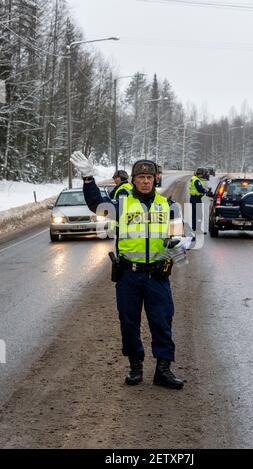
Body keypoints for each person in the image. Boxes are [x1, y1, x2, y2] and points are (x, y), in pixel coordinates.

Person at [70, 152, 187, 390]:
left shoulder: (168, 206)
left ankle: (163, 370)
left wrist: (178, 247)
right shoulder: (122, 204)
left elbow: (183, 237)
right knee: (129, 322)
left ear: (156, 179)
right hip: (129, 276)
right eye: (141, 177)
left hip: (158, 275)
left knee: (162, 322)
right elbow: (96, 205)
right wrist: (88, 178)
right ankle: (136, 367)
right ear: (133, 180)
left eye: (149, 177)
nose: (145, 181)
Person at [189, 169, 207, 233]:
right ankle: (198, 229)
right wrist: (205, 191)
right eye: (202, 174)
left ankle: (194, 228)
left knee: (194, 214)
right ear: (200, 174)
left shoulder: (193, 179)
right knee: (199, 214)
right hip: (196, 199)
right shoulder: (196, 180)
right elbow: (200, 189)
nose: (202, 175)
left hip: (193, 198)